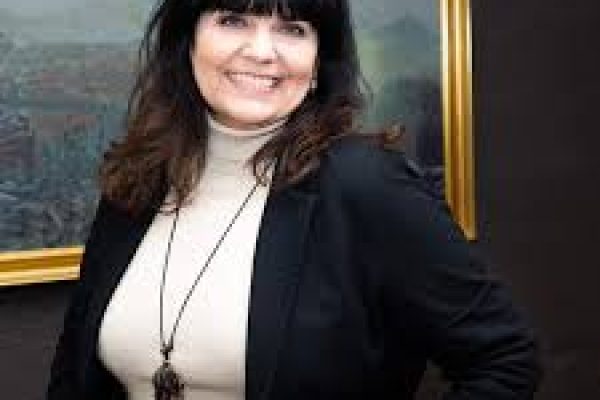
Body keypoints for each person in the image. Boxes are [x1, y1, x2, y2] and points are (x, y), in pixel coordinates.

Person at [47, 0, 541, 399]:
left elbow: (505, 359)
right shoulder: (138, 178)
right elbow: (73, 373)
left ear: (319, 59)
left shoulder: (368, 186)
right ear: (188, 40)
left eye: (293, 28)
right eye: (233, 19)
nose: (263, 51)